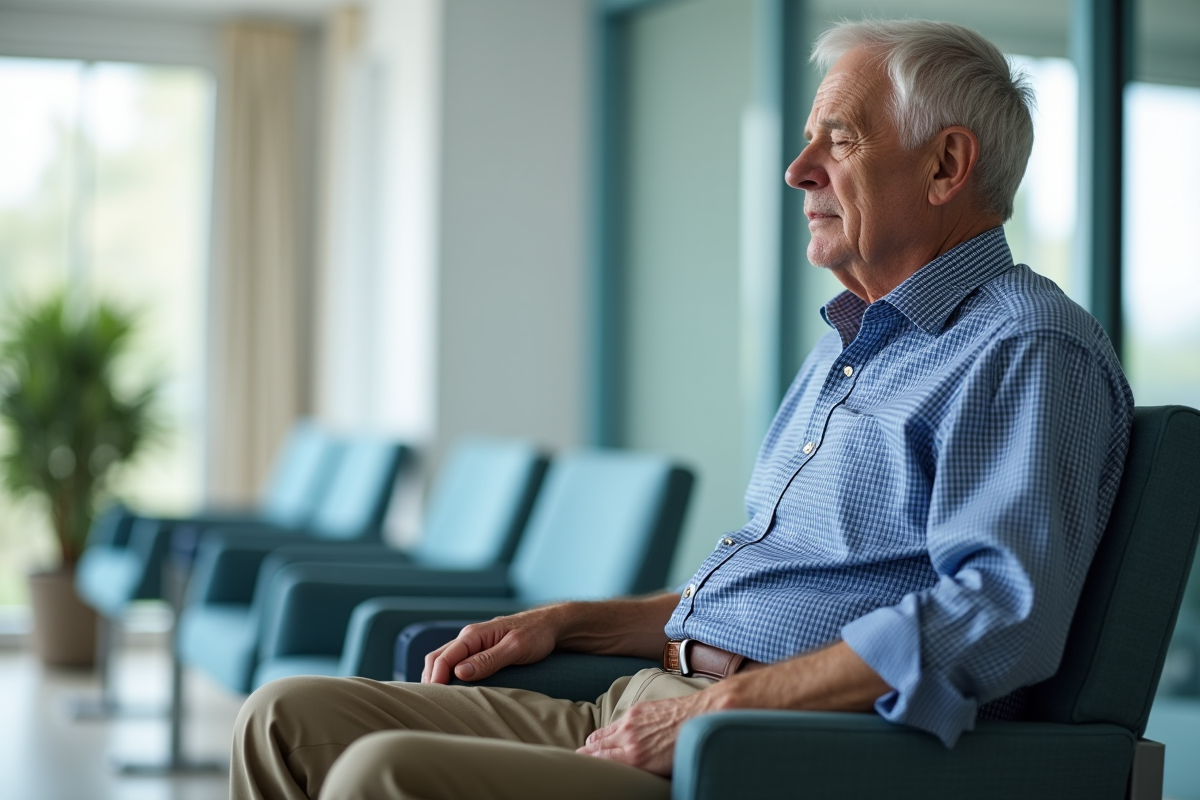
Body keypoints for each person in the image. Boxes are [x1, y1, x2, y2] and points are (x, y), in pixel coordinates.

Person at [231, 18, 1133, 800]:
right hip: (650, 700)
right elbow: (773, 596)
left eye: (839, 139)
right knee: (280, 718)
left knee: (374, 779)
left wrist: (720, 710)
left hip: (772, 750)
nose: (796, 169)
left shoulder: (1025, 348)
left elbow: (998, 613)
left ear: (946, 165)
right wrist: (569, 620)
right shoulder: (851, 348)